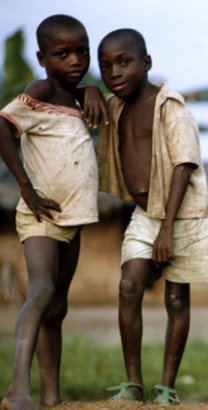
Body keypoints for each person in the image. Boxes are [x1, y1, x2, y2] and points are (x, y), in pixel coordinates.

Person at [96, 29, 208, 405]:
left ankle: (166, 387)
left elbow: (184, 163)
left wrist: (167, 229)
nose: (115, 72)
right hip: (146, 214)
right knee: (129, 286)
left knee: (177, 300)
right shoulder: (113, 106)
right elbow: (74, 103)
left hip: (183, 216)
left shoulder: (170, 106)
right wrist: (86, 92)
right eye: (106, 66)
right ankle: (133, 383)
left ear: (146, 64)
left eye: (124, 62)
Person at [0, 15, 107, 410]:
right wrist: (26, 188)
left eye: (82, 52)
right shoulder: (40, 89)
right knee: (42, 290)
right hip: (41, 215)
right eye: (62, 54)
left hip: (73, 219)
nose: (75, 61)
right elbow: (2, 125)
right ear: (42, 58)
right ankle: (16, 390)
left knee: (58, 305)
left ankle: (51, 397)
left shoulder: (77, 97)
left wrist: (92, 88)